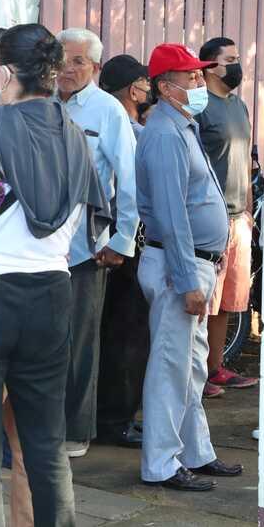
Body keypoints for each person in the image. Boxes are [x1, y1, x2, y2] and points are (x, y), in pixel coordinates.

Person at [0, 23, 111, 527]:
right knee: (45, 444)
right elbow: (94, 221)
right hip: (54, 290)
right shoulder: (75, 134)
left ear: (4, 73)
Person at [136, 43, 242, 491]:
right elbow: (172, 214)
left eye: (200, 76)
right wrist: (186, 280)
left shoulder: (182, 126)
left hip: (196, 263)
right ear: (166, 87)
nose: (201, 83)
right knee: (170, 366)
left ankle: (195, 451)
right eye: (192, 77)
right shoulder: (164, 133)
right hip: (179, 265)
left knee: (192, 365)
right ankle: (161, 464)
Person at [55, 27, 140, 459]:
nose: (67, 70)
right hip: (37, 247)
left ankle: (75, 431)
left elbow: (130, 178)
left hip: (85, 248)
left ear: (95, 67)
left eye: (78, 62)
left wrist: (123, 239)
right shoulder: (41, 102)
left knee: (80, 343)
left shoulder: (107, 111)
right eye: (62, 60)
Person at [93, 54, 154, 448]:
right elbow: (132, 191)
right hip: (125, 242)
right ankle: (116, 419)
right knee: (127, 334)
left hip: (114, 238)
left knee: (117, 332)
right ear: (134, 90)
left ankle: (114, 416)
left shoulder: (108, 120)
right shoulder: (132, 130)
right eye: (146, 84)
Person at [196, 37, 259, 398]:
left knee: (228, 300)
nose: (237, 65)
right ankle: (195, 374)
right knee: (204, 300)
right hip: (210, 217)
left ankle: (214, 368)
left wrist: (247, 207)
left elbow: (246, 158)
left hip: (238, 217)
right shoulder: (199, 105)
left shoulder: (239, 105)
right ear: (209, 66)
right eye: (230, 59)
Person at [99, 54, 152, 138]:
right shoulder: (143, 135)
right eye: (146, 83)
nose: (150, 88)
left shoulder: (100, 125)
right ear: (133, 93)